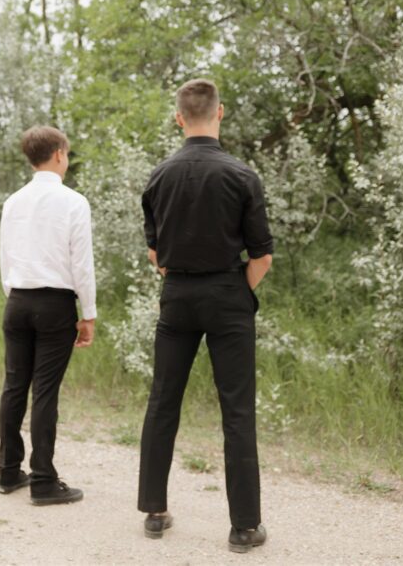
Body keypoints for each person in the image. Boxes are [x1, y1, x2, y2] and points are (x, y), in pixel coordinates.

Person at [137, 79, 273, 553]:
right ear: (220, 113)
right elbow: (262, 256)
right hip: (228, 293)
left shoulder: (158, 176)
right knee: (237, 410)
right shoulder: (242, 176)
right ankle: (243, 527)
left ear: (179, 118)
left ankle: (154, 511)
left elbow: (156, 254)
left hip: (176, 294)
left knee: (162, 400)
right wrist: (236, 290)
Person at [0, 125, 96, 506]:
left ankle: (8, 472)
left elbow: (5, 256)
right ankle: (43, 480)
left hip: (17, 300)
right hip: (55, 304)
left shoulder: (13, 202)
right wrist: (87, 313)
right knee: (45, 392)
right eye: (67, 155)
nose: (66, 161)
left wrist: (15, 294)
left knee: (14, 387)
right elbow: (81, 264)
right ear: (58, 154)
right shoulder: (74, 202)